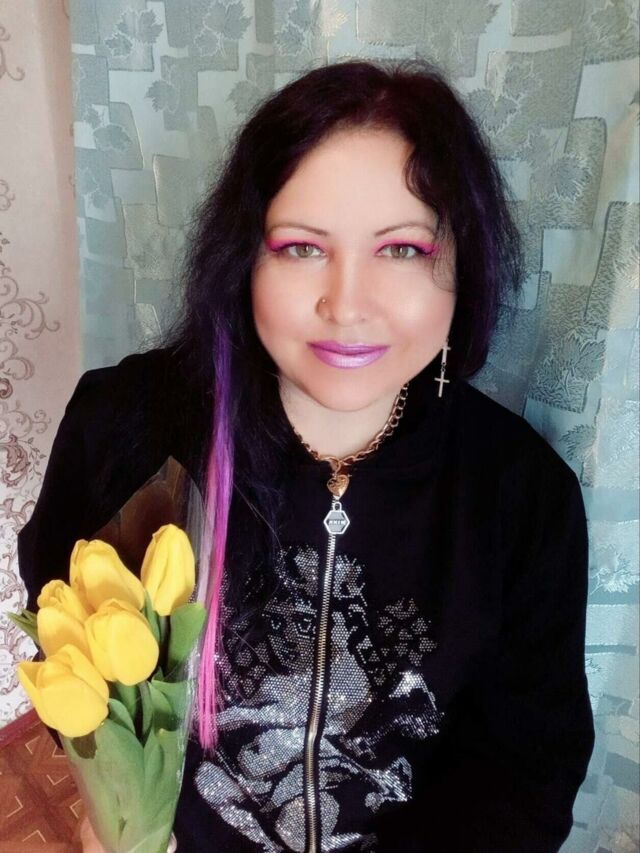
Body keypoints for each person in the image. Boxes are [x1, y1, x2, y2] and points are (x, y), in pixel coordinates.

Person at [17, 58, 594, 852]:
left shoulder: (521, 493)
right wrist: (118, 805)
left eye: (402, 249)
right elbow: (70, 644)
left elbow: (524, 772)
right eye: (299, 247)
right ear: (243, 257)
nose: (347, 305)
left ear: (465, 265)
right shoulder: (126, 426)